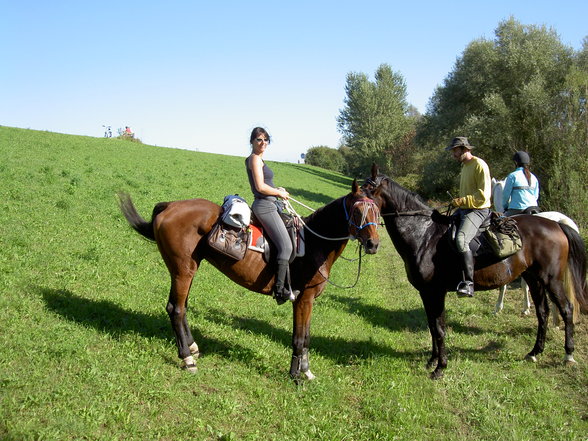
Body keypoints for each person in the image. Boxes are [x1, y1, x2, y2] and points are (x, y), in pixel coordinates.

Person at [245, 127, 299, 305]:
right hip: (264, 206)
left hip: (271, 204)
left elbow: (267, 183)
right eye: (259, 139)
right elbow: (260, 187)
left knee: (293, 234)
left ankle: (288, 283)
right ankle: (279, 290)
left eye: (266, 140)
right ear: (252, 141)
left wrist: (278, 190)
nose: (263, 143)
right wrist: (278, 193)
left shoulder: (260, 160)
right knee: (286, 247)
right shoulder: (254, 159)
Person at [445, 136, 492, 298]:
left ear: (465, 149)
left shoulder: (479, 165)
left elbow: (482, 196)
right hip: (465, 209)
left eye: (455, 151)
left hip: (478, 210)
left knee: (461, 240)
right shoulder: (465, 166)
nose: (453, 155)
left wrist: (462, 201)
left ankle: (469, 283)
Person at [501, 151, 540, 216]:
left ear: (516, 162)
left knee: (499, 222)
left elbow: (506, 195)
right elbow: (536, 196)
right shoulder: (533, 177)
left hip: (517, 209)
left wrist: (505, 206)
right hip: (534, 208)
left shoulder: (512, 176)